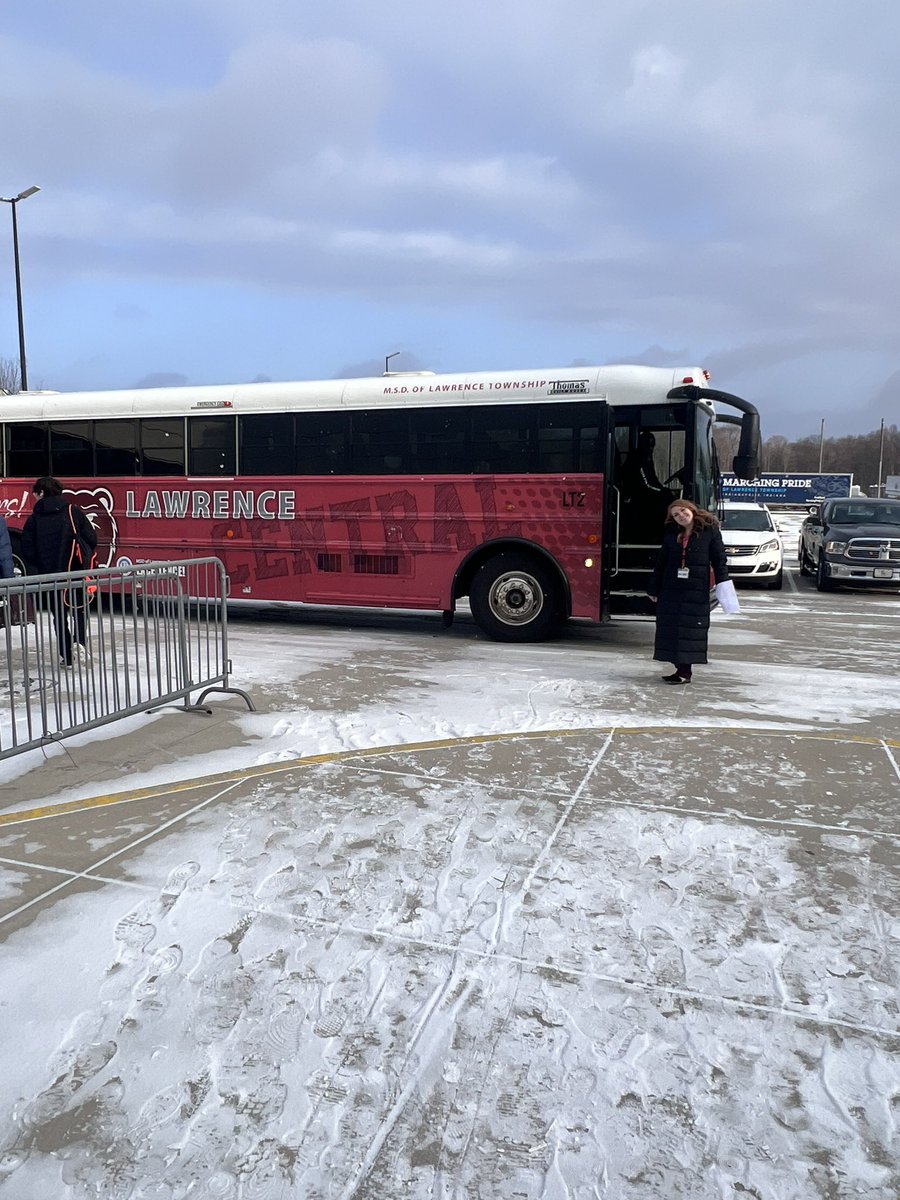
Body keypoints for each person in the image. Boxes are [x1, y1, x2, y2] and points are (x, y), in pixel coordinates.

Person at [648, 499, 729, 685]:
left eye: (683, 511)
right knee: (671, 629)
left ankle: (685, 672)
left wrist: (723, 584)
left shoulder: (709, 531)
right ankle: (679, 669)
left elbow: (719, 560)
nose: (681, 516)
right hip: (671, 588)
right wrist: (653, 588)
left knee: (690, 631)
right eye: (676, 515)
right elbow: (661, 562)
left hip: (696, 590)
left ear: (692, 510)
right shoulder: (672, 533)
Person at [20, 477, 98, 666]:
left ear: (41, 493)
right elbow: (91, 538)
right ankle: (80, 643)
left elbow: (27, 549)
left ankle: (67, 655)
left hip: (51, 575)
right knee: (79, 610)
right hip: (75, 571)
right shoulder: (72, 512)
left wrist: (41, 565)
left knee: (59, 615)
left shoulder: (34, 519)